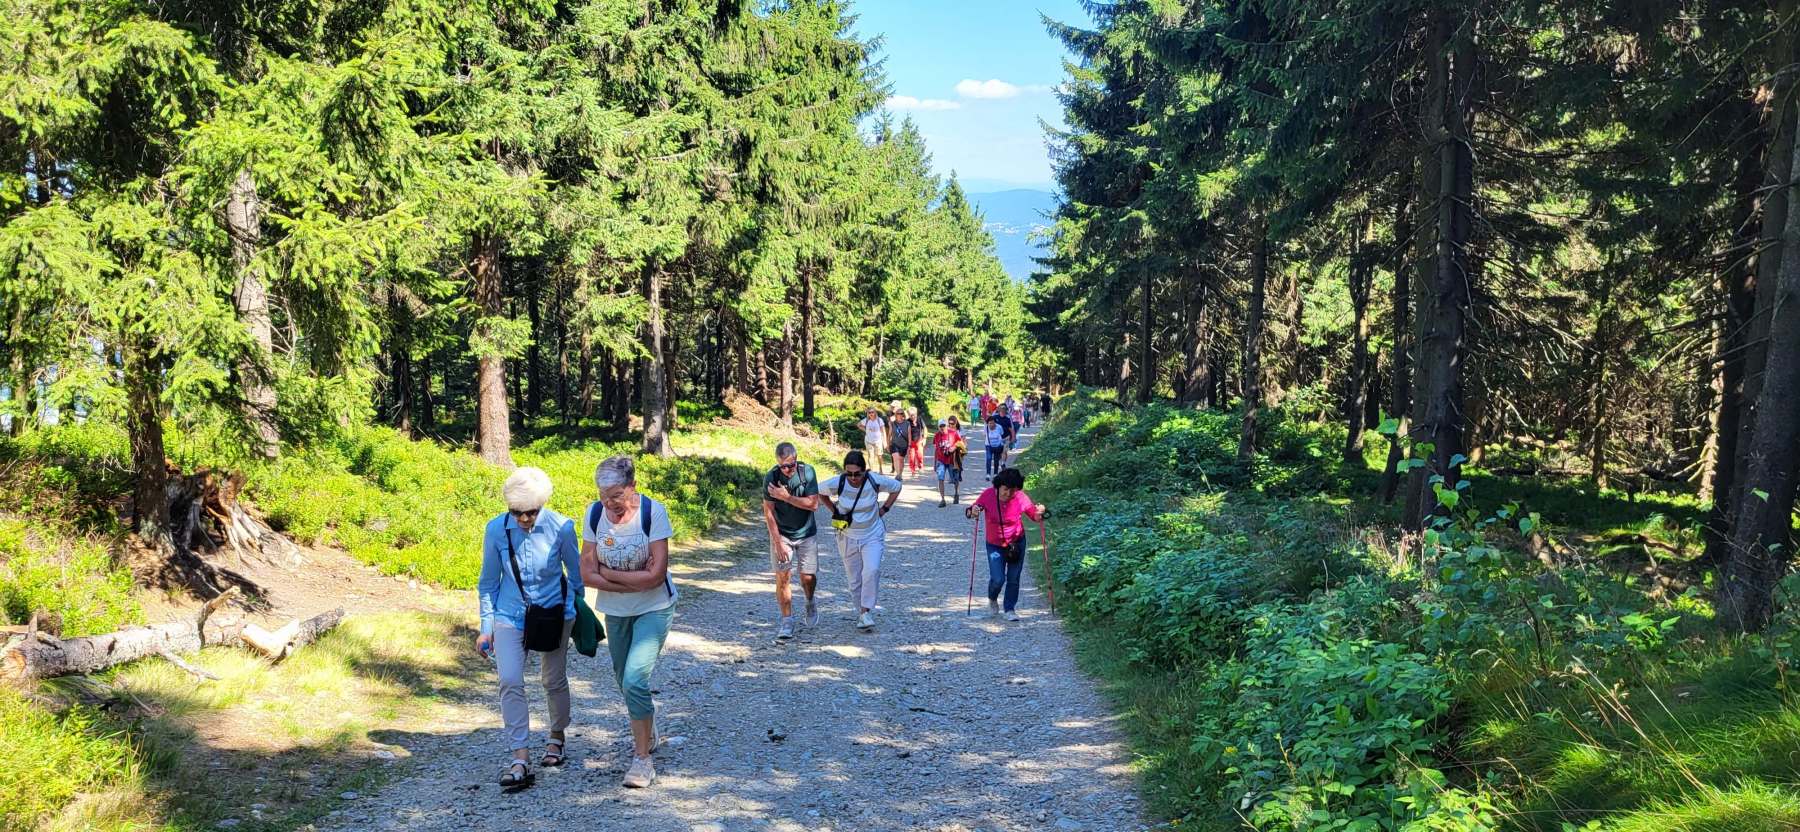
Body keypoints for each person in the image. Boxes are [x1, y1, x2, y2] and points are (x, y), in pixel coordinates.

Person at [476, 466, 583, 788]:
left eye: (531, 512)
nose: (524, 519)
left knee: (552, 679)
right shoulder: (496, 530)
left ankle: (557, 736)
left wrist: (569, 611)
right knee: (509, 680)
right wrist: (486, 627)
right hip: (510, 615)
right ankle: (520, 757)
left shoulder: (562, 527)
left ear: (542, 504)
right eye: (517, 512)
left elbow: (576, 576)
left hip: (553, 614)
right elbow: (488, 583)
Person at [580, 456, 677, 789]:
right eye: (603, 495)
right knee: (625, 682)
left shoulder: (653, 513)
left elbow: (656, 576)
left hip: (655, 607)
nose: (610, 503)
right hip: (616, 610)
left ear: (632, 487)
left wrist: (608, 573)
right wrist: (634, 579)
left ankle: (642, 760)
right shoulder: (594, 515)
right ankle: (648, 725)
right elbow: (586, 573)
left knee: (635, 679)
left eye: (617, 495)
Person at [818, 450, 902, 630]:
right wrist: (834, 510)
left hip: (872, 534)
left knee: (872, 570)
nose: (853, 478)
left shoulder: (873, 481)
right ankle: (861, 613)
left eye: (857, 474)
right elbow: (819, 491)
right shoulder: (839, 482)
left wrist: (884, 509)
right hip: (847, 536)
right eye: (849, 473)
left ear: (864, 471)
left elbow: (896, 487)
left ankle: (866, 611)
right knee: (854, 580)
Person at [966, 468, 1049, 622]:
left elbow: (1034, 516)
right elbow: (972, 511)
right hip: (994, 544)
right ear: (998, 486)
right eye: (1005, 489)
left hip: (1017, 542)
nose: (1008, 493)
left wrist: (1040, 512)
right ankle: (992, 598)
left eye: (1013, 490)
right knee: (998, 579)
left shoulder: (1020, 497)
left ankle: (1009, 609)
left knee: (1013, 577)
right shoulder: (988, 495)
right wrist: (973, 511)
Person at [763, 442, 822, 641]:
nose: (788, 469)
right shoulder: (771, 478)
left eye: (791, 465)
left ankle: (810, 600)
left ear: (796, 459)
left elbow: (813, 504)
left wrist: (786, 497)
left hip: (806, 532)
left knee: (808, 577)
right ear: (778, 463)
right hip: (782, 534)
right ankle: (787, 620)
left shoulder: (807, 473)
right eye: (784, 466)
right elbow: (768, 512)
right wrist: (777, 542)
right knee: (783, 577)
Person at [932, 416, 968, 507]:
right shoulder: (936, 436)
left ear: (946, 426)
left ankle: (956, 493)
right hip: (941, 460)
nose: (942, 428)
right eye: (940, 426)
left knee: (955, 479)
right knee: (940, 478)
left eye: (943, 426)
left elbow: (960, 443)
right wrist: (935, 463)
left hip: (951, 460)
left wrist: (954, 447)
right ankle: (942, 499)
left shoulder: (953, 433)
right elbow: (936, 449)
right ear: (938, 427)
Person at [859, 407, 888, 474]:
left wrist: (885, 441)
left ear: (875, 413)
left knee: (879, 455)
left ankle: (880, 469)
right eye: (869, 412)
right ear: (867, 414)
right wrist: (865, 430)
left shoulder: (879, 420)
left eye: (872, 412)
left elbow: (883, 431)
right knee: (870, 456)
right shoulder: (866, 420)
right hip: (869, 441)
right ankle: (871, 471)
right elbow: (858, 425)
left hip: (878, 440)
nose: (871, 414)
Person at [888, 402, 913, 481]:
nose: (900, 415)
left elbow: (909, 435)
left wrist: (909, 446)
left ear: (903, 415)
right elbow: (889, 434)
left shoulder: (907, 423)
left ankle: (900, 474)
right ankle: (898, 474)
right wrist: (888, 444)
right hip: (894, 444)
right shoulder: (892, 423)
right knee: (896, 457)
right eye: (898, 413)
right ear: (896, 414)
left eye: (901, 413)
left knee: (901, 460)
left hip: (904, 445)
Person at [984, 414, 1009, 478]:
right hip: (988, 445)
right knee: (988, 458)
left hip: (998, 446)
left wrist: (1003, 442)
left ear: (995, 423)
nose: (991, 425)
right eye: (989, 423)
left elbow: (1002, 434)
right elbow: (984, 435)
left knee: (996, 460)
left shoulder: (999, 427)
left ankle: (995, 473)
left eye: (992, 423)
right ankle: (988, 474)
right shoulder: (986, 427)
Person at [906, 406, 926, 477]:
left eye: (913, 415)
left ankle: (921, 467)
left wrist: (924, 438)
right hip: (911, 442)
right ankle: (913, 471)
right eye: (910, 415)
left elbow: (925, 429)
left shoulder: (919, 419)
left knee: (920, 456)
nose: (912, 416)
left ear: (916, 414)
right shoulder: (907, 421)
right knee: (912, 458)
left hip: (919, 441)